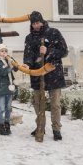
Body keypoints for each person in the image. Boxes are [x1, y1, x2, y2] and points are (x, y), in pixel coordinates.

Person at [24, 11, 68, 141]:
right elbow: (28, 55)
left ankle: (56, 129)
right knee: (38, 103)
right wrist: (27, 64)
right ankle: (40, 127)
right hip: (37, 73)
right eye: (33, 24)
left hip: (53, 72)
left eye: (38, 23)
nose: (36, 26)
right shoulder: (29, 38)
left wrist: (48, 51)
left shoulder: (54, 32)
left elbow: (64, 51)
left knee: (55, 104)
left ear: (42, 21)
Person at [0, 44, 18, 136]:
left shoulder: (8, 60)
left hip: (9, 88)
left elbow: (16, 68)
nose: (4, 53)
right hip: (1, 88)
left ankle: (7, 124)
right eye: (2, 51)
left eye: (5, 51)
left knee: (8, 108)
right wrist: (9, 67)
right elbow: (1, 72)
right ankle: (0, 125)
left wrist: (13, 63)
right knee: (1, 108)